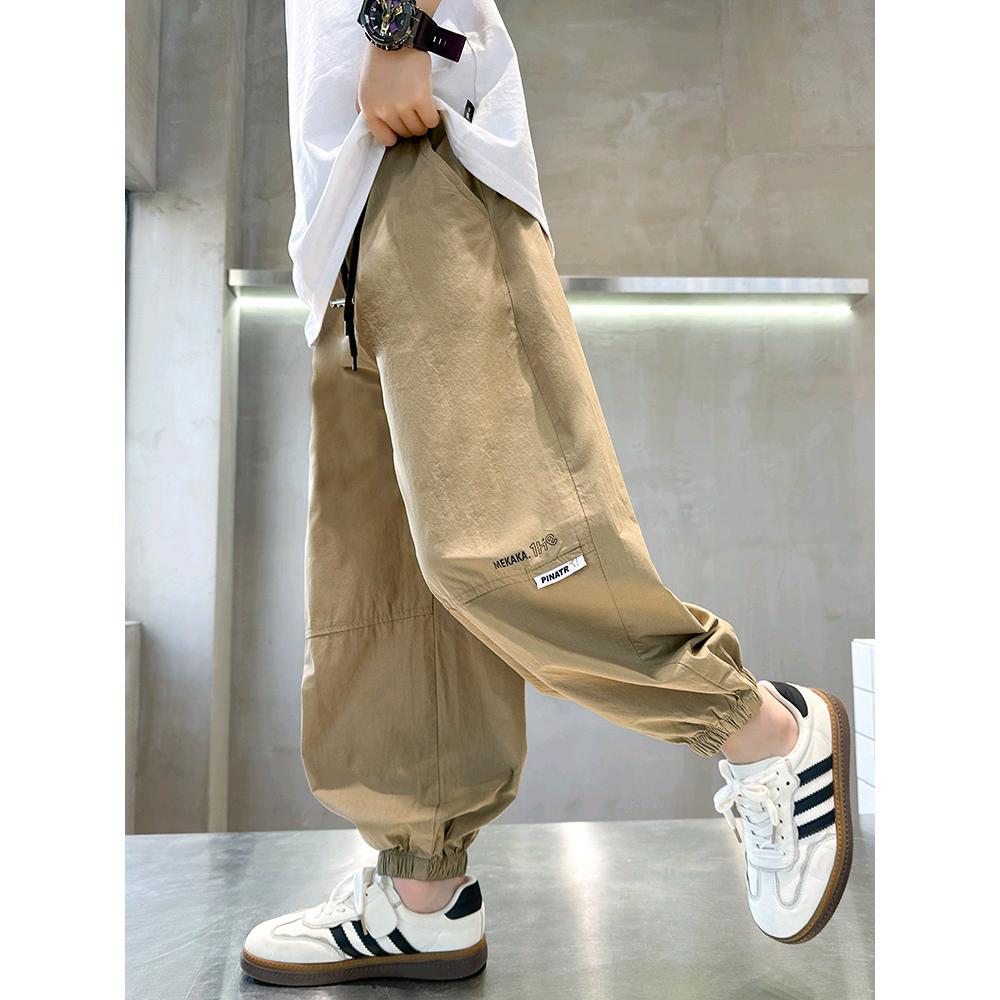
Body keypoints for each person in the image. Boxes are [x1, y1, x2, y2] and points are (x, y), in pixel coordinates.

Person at [241, 1, 854, 986]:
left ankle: (760, 728)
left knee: (498, 540)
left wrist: (399, 30)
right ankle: (421, 897)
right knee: (380, 593)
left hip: (424, 143)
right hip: (339, 215)